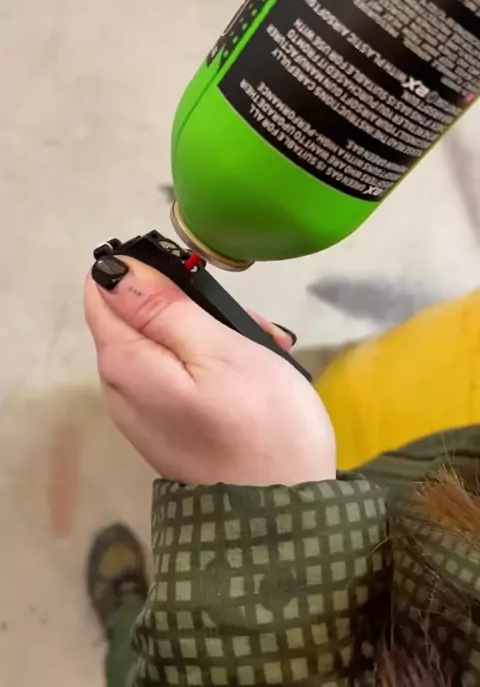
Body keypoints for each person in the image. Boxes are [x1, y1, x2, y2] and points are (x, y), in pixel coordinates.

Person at [85, 253, 480, 686]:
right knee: (169, 621)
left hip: (250, 655)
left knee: (139, 662)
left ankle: (124, 618)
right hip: (379, 524)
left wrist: (265, 529)